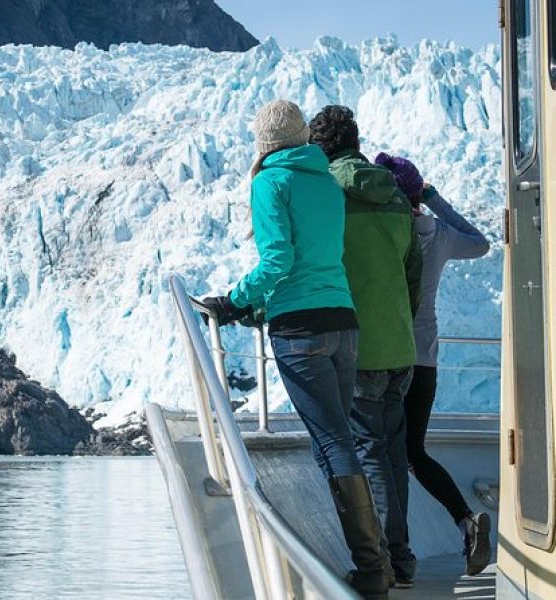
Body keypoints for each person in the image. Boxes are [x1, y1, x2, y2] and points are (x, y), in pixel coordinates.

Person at [202, 99, 388, 600]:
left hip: (301, 330)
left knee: (333, 441)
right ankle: (377, 560)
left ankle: (374, 569)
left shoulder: (270, 182)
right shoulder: (326, 180)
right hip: (343, 323)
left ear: (263, 143)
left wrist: (235, 302)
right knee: (339, 436)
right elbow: (319, 256)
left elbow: (279, 259)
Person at [308, 105, 422, 588]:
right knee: (393, 452)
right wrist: (400, 323)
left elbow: (314, 262)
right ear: (356, 140)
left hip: (359, 347)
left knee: (369, 453)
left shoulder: (326, 192)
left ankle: (386, 563)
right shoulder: (394, 194)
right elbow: (411, 270)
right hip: (400, 345)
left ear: (319, 147)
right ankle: (404, 556)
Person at [374, 152, 492, 576]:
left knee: (388, 454)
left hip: (389, 355)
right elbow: (480, 243)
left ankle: (393, 552)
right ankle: (464, 520)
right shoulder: (437, 233)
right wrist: (434, 198)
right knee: (413, 451)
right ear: (417, 192)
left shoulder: (386, 230)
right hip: (426, 359)